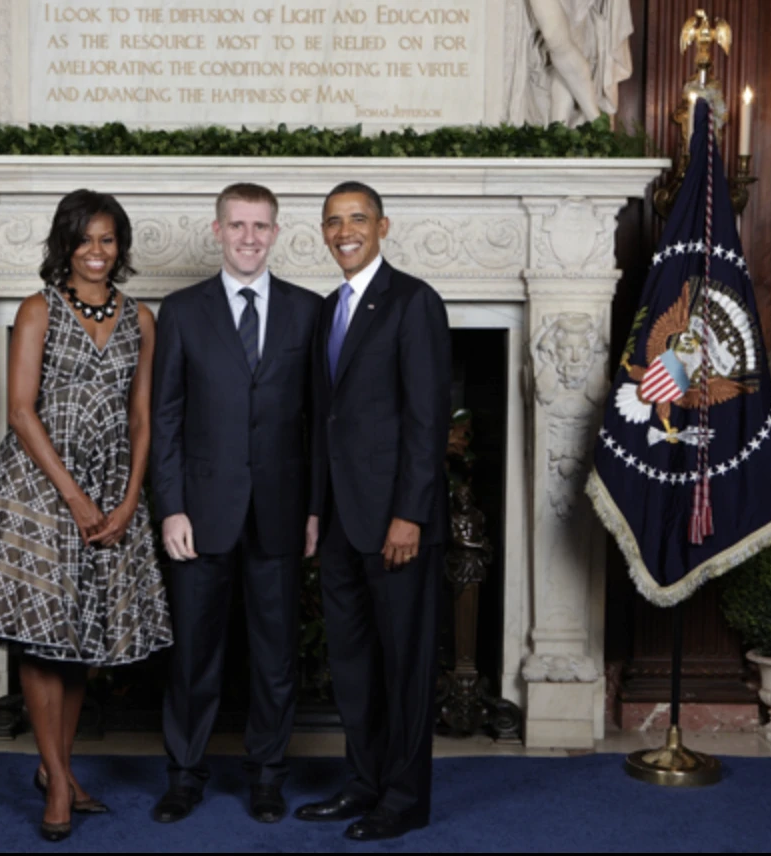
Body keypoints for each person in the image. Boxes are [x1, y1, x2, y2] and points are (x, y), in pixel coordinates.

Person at [0, 189, 172, 843]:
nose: (96, 251)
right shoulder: (38, 310)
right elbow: (20, 410)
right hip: (40, 491)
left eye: (108, 239)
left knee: (81, 637)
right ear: (65, 243)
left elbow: (142, 416)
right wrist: (74, 496)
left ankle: (55, 768)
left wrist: (130, 498)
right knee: (42, 635)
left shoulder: (140, 318)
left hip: (111, 488)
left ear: (120, 247)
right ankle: (60, 783)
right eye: (85, 239)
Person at [150, 183, 322, 825]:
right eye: (238, 225)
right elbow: (165, 418)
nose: (250, 237)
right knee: (194, 654)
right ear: (217, 230)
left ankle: (268, 777)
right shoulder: (181, 311)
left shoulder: (309, 311)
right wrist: (170, 506)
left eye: (261, 226)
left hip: (281, 511)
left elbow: (319, 423)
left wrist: (315, 509)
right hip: (200, 513)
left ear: (276, 232)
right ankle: (184, 776)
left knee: (275, 657)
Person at [295, 181, 451, 841]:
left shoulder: (414, 301)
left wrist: (410, 513)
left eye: (357, 218)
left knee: (404, 667)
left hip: (395, 523)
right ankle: (362, 783)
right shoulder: (329, 309)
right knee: (354, 664)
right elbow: (322, 421)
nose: (344, 231)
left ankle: (404, 798)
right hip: (338, 522)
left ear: (383, 226)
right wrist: (313, 511)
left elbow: (427, 417)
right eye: (333, 221)